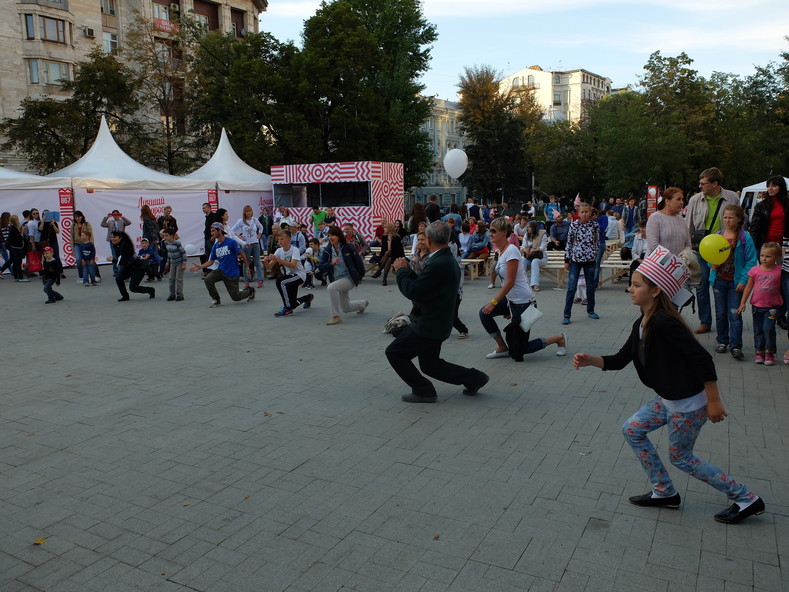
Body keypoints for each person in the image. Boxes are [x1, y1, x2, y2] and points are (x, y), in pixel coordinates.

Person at [573, 246, 765, 524]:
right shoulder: (643, 321)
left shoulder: (665, 322)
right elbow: (620, 359)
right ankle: (664, 491)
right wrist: (592, 360)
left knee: (681, 457)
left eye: (636, 285)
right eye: (631, 284)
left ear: (655, 291)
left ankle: (746, 498)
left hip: (688, 404)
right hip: (668, 399)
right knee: (632, 429)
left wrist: (714, 401)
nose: (630, 289)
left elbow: (703, 360)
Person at [385, 221, 490, 403]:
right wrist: (409, 272)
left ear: (430, 239)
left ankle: (424, 390)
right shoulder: (444, 259)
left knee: (395, 353)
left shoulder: (439, 262)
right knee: (431, 365)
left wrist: (401, 271)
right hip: (437, 322)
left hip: (427, 324)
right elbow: (425, 286)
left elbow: (413, 291)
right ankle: (474, 378)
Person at [480, 217, 567, 361]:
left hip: (524, 304)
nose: (490, 234)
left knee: (521, 350)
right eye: (490, 231)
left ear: (503, 233)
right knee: (484, 314)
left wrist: (494, 302)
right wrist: (506, 307)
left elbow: (510, 282)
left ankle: (559, 338)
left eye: (494, 231)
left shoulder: (512, 250)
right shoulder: (501, 251)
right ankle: (502, 347)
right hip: (512, 302)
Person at [686, 167, 739, 334]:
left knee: (721, 285)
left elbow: (740, 221)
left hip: (724, 251)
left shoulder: (732, 197)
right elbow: (689, 225)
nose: (700, 186)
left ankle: (725, 321)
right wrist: (687, 248)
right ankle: (705, 321)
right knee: (701, 286)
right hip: (700, 250)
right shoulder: (695, 199)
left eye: (703, 183)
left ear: (715, 183)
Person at [709, 205, 757, 361]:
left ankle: (736, 345)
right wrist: (712, 265)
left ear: (739, 219)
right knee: (721, 313)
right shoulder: (718, 235)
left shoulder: (745, 238)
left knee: (734, 314)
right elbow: (709, 255)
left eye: (731, 217)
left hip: (736, 283)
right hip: (719, 280)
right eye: (725, 217)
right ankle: (722, 341)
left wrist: (744, 280)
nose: (727, 220)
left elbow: (751, 261)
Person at [747, 175, 788, 330]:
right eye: (768, 186)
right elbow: (755, 226)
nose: (770, 188)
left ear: (780, 187)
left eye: (774, 186)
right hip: (765, 246)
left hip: (783, 246)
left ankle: (781, 314)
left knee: (783, 281)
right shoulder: (762, 205)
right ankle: (768, 311)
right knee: (769, 280)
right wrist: (755, 246)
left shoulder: (787, 204)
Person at [736, 242, 783, 366]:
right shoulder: (754, 270)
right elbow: (748, 287)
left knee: (768, 329)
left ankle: (770, 353)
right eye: (762, 255)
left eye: (768, 256)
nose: (764, 258)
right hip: (757, 306)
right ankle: (759, 352)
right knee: (758, 330)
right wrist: (742, 303)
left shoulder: (779, 271)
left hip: (772, 307)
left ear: (776, 257)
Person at [190, 223, 255, 308]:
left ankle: (250, 290)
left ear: (220, 230)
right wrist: (200, 267)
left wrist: (247, 268)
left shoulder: (231, 242)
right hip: (221, 271)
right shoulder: (215, 246)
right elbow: (211, 261)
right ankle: (216, 300)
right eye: (211, 231)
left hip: (232, 273)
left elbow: (242, 254)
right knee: (208, 279)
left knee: (236, 297)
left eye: (213, 231)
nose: (212, 233)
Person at [317, 226, 368, 325]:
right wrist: (331, 263)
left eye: (333, 235)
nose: (331, 237)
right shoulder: (327, 250)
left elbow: (358, 262)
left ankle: (335, 316)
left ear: (339, 236)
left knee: (331, 288)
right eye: (329, 235)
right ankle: (363, 304)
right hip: (337, 279)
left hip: (349, 278)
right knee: (346, 308)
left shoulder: (348, 247)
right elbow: (321, 266)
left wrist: (360, 276)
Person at [562, 203, 600, 325]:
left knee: (590, 286)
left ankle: (591, 310)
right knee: (572, 287)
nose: (584, 214)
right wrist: (566, 260)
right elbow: (569, 243)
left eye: (586, 212)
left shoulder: (595, 225)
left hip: (590, 260)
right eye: (581, 212)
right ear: (578, 213)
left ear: (590, 212)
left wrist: (594, 254)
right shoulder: (574, 225)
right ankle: (567, 314)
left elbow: (597, 241)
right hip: (576, 260)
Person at [263, 229, 313, 317]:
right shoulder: (279, 251)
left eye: (282, 239)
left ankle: (287, 308)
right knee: (293, 303)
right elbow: (269, 267)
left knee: (280, 282)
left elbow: (292, 265)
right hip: (290, 276)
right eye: (278, 239)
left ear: (289, 239)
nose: (279, 241)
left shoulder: (295, 250)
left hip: (299, 275)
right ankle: (308, 297)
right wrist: (266, 261)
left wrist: (277, 259)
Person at [645, 187, 691, 256]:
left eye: (682, 199)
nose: (681, 202)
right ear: (667, 201)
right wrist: (671, 261)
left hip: (678, 265)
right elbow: (653, 245)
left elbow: (688, 244)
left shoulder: (682, 220)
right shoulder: (655, 218)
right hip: (658, 264)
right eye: (678, 199)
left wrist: (683, 259)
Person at [111, 231, 155, 301]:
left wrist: (112, 260)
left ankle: (150, 290)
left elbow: (122, 261)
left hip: (138, 268)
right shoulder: (116, 245)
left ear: (120, 238)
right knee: (118, 278)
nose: (112, 239)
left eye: (115, 237)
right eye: (112, 237)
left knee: (133, 288)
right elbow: (121, 260)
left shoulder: (125, 246)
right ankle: (125, 296)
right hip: (128, 267)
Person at [231, 206, 265, 288]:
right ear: (244, 212)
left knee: (257, 262)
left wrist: (259, 234)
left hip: (255, 243)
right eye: (247, 211)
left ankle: (260, 280)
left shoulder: (255, 220)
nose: (248, 213)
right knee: (246, 262)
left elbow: (261, 227)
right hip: (246, 244)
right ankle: (246, 280)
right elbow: (232, 230)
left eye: (250, 211)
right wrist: (240, 238)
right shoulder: (241, 221)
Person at [101, 210, 133, 276]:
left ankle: (122, 270)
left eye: (117, 214)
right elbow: (103, 225)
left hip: (121, 240)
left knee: (121, 255)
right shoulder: (110, 222)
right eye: (114, 214)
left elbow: (129, 223)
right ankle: (115, 271)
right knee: (114, 255)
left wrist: (122, 217)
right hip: (112, 240)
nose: (115, 216)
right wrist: (106, 217)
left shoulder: (122, 221)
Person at [71, 211, 97, 284]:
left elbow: (90, 234)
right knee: (79, 259)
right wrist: (72, 247)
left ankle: (95, 275)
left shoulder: (86, 224)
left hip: (87, 243)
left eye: (78, 216)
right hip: (77, 244)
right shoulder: (73, 225)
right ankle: (82, 276)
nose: (77, 218)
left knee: (90, 259)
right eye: (76, 217)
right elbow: (71, 236)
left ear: (82, 216)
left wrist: (91, 243)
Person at [162, 227, 186, 301]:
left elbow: (183, 253)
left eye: (166, 235)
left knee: (178, 279)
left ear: (172, 235)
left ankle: (180, 295)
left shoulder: (177, 243)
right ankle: (172, 294)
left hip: (180, 262)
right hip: (173, 262)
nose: (165, 237)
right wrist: (168, 261)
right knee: (171, 279)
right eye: (164, 235)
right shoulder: (165, 243)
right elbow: (169, 252)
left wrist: (184, 263)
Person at [522, 220, 547, 292]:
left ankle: (535, 284)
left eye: (529, 227)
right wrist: (526, 250)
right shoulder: (526, 234)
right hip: (529, 256)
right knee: (523, 260)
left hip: (540, 257)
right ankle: (523, 283)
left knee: (535, 262)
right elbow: (523, 245)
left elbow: (542, 247)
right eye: (527, 227)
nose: (528, 229)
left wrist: (534, 250)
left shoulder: (542, 234)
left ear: (534, 227)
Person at [156, 205, 178, 278]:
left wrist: (172, 232)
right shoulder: (161, 219)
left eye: (169, 211)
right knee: (164, 255)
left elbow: (176, 228)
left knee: (172, 255)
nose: (168, 212)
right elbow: (158, 228)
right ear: (164, 210)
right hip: (163, 240)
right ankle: (161, 271)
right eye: (167, 211)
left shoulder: (173, 219)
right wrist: (160, 234)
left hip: (170, 240)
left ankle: (171, 270)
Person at [5, 215, 28, 281]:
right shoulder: (13, 228)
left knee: (15, 262)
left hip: (17, 247)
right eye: (16, 219)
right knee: (17, 262)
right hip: (16, 247)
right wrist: (22, 231)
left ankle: (16, 276)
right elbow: (18, 238)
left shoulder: (15, 227)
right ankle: (20, 276)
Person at [201, 202, 221, 269]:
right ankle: (210, 270)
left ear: (209, 208)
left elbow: (215, 227)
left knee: (213, 255)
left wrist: (214, 236)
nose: (203, 209)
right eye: (202, 208)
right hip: (206, 238)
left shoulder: (214, 216)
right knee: (208, 255)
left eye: (204, 208)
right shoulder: (207, 217)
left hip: (211, 238)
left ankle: (216, 269)